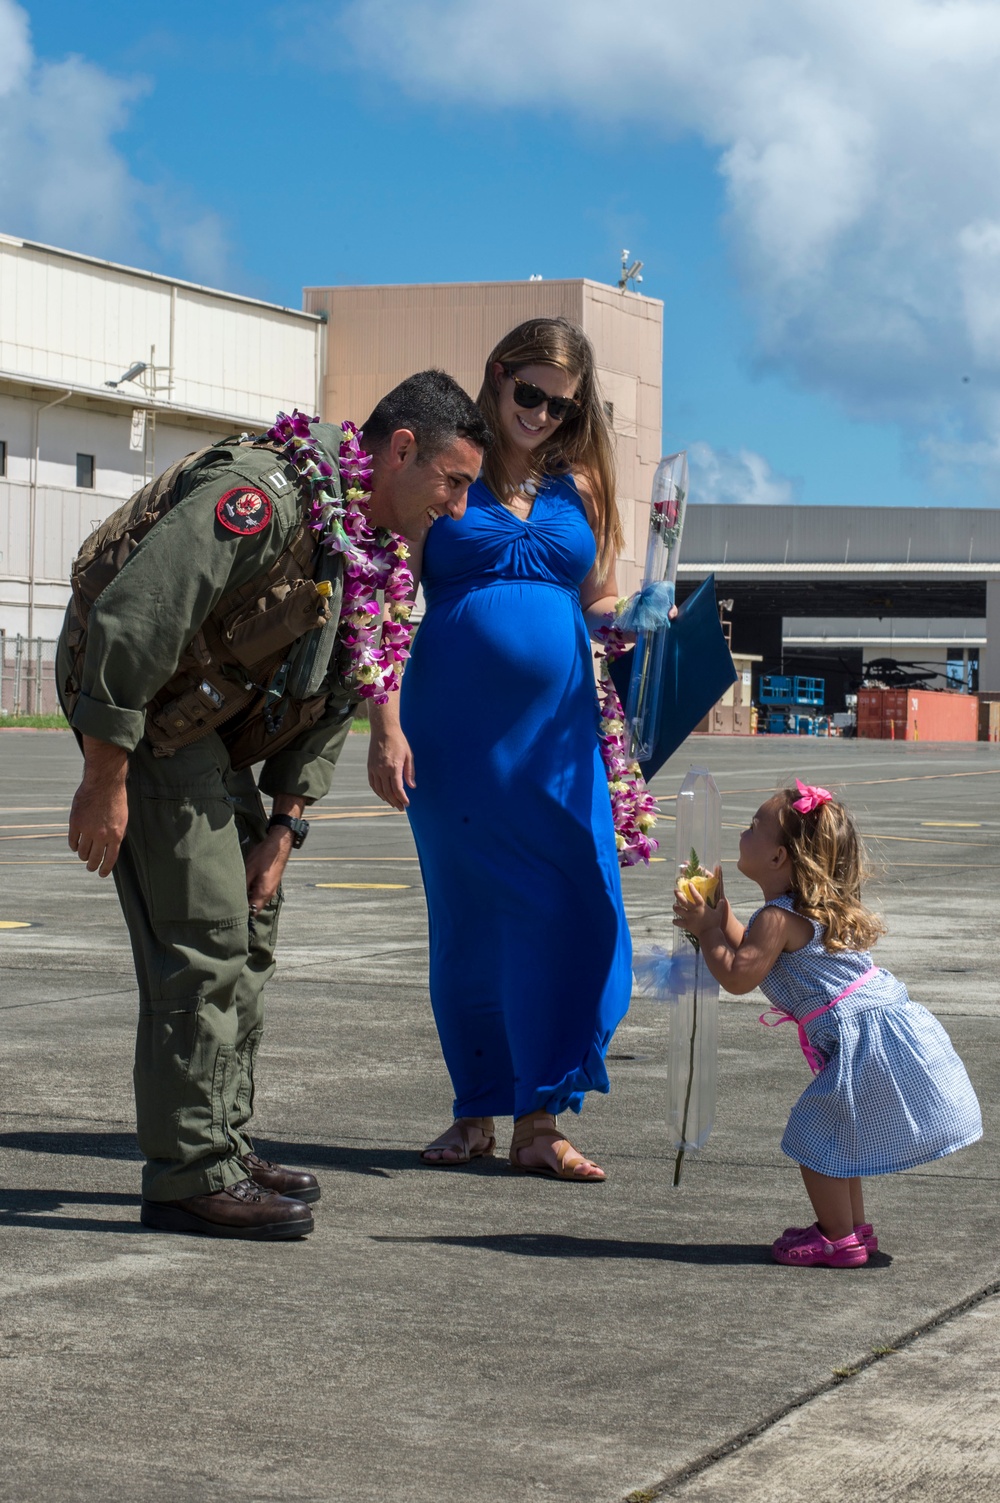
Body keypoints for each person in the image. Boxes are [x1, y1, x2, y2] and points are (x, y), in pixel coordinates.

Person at [58, 371, 490, 1239]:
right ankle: (188, 1176)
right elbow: (137, 619)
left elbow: (335, 691)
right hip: (140, 712)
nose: (458, 506)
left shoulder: (368, 550)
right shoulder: (264, 498)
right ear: (401, 450)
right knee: (205, 939)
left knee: (249, 926)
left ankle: (220, 1139)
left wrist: (285, 828)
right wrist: (104, 779)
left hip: (202, 721)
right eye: (453, 480)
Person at [368, 317, 634, 1181]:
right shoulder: (451, 470)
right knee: (471, 917)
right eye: (530, 394)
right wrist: (383, 722)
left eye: (562, 404)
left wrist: (630, 624)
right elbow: (378, 596)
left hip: (561, 738)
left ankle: (542, 1116)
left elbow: (598, 598)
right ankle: (479, 1110)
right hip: (452, 730)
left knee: (574, 907)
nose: (543, 415)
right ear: (498, 375)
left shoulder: (583, 484)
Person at [672, 779, 983, 1267]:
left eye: (754, 826)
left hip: (866, 1041)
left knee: (816, 1139)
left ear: (778, 858)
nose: (743, 831)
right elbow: (755, 953)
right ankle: (852, 1230)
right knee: (841, 1138)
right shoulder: (793, 912)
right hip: (880, 1033)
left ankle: (836, 1239)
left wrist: (708, 929)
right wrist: (721, 915)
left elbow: (738, 973)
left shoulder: (778, 919)